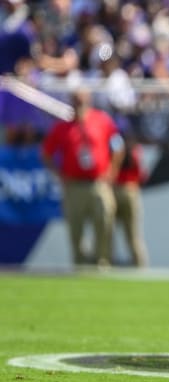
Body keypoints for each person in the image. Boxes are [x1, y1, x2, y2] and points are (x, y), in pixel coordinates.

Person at [41, 87, 125, 268]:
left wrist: (112, 169)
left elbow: (117, 145)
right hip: (73, 185)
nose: (79, 105)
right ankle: (79, 264)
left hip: (98, 183)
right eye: (76, 101)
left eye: (82, 101)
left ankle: (102, 261)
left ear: (89, 101)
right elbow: (46, 153)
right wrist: (59, 174)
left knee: (104, 222)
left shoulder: (102, 120)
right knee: (76, 228)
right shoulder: (62, 127)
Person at [112, 136, 148, 268]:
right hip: (130, 190)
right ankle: (139, 265)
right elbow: (142, 174)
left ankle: (106, 264)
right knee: (133, 234)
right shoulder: (135, 150)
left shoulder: (115, 149)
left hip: (115, 190)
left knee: (109, 232)